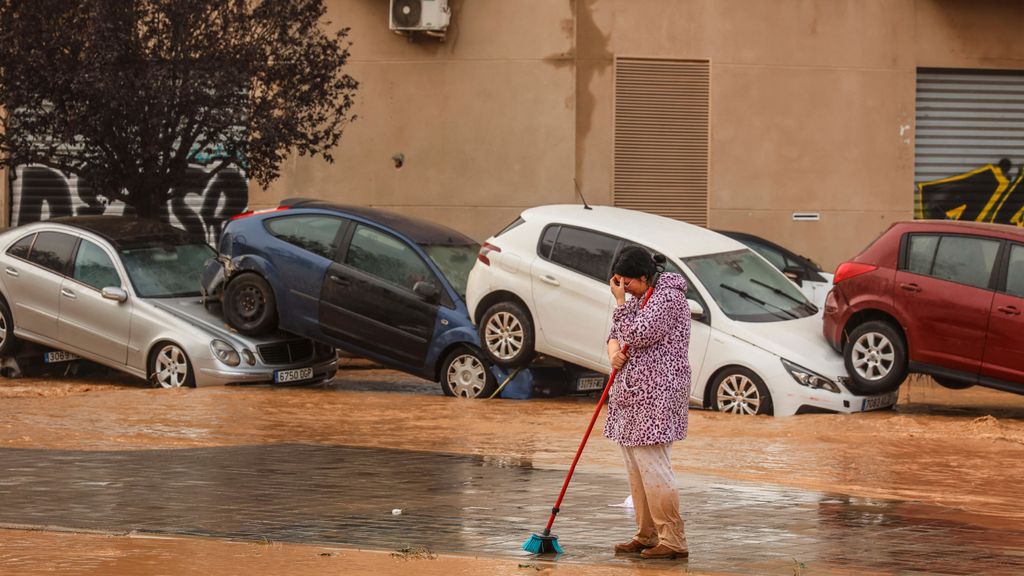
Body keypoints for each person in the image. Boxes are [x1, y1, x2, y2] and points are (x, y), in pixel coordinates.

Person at [605, 246, 691, 560]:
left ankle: (673, 539)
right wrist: (613, 351)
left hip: (658, 394)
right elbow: (616, 332)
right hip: (631, 394)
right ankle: (646, 534)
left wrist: (619, 302)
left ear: (644, 276)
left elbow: (639, 333)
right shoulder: (642, 299)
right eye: (618, 284)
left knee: (654, 465)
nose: (624, 289)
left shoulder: (668, 299)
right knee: (636, 467)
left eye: (627, 283)